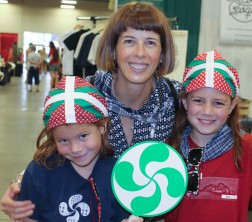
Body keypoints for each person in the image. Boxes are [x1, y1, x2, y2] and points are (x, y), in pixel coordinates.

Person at [1, 2, 180, 220]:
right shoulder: (88, 93)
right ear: (114, 50)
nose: (140, 53)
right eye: (129, 41)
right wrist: (20, 185)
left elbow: (219, 117)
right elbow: (58, 144)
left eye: (151, 42)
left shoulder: (176, 98)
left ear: (162, 53)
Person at [164, 50, 252, 222]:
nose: (207, 111)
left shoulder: (248, 148)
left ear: (232, 106)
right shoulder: (170, 148)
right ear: (184, 101)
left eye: (218, 103)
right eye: (198, 100)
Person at [15, 75, 142, 222]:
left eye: (83, 136)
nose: (75, 149)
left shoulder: (118, 175)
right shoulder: (39, 173)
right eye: (63, 140)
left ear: (102, 127)